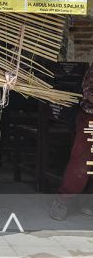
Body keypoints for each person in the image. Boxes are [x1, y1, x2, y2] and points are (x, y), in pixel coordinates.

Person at [50, 64, 93, 220]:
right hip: (90, 117)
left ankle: (88, 201)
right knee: (83, 160)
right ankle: (63, 200)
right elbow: (88, 93)